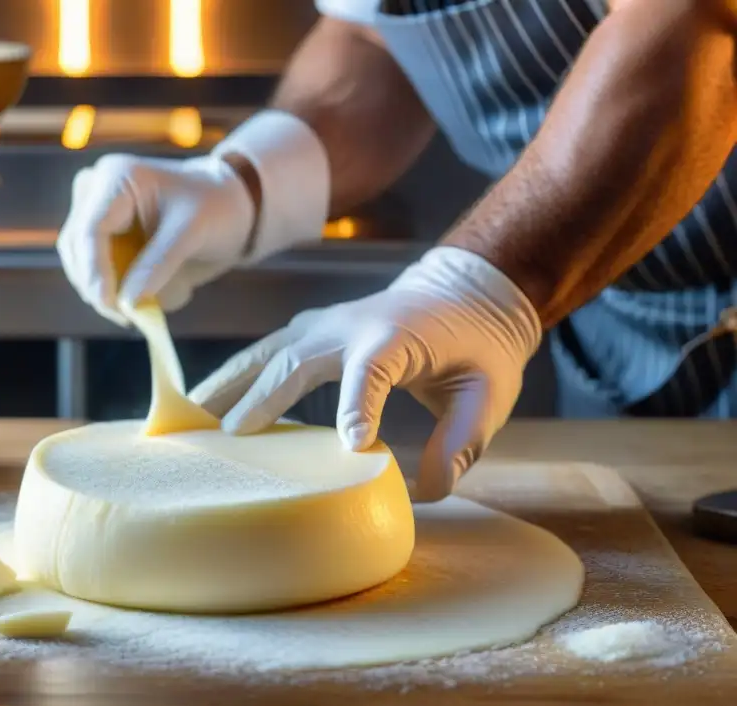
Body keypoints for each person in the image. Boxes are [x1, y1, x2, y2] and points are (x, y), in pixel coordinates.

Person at [58, 0, 737, 501]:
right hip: (621, 329)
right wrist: (248, 180)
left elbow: (699, 19)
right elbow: (372, 34)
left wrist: (480, 287)